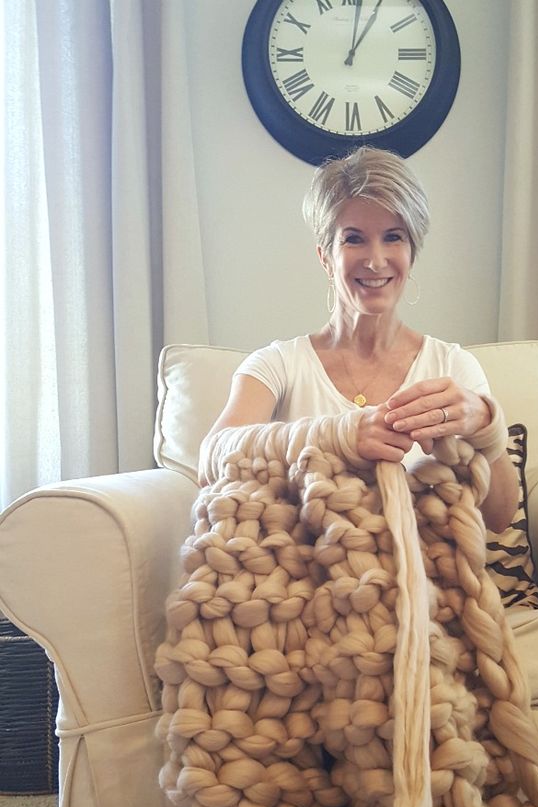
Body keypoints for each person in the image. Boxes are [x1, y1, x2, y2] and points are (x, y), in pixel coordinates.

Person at [199, 146, 518, 533]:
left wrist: (486, 425)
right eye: (353, 239)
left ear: (412, 252)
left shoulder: (452, 367)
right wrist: (340, 436)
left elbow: (499, 518)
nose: (376, 259)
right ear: (324, 256)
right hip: (299, 585)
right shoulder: (277, 365)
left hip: (426, 587)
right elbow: (210, 462)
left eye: (393, 237)